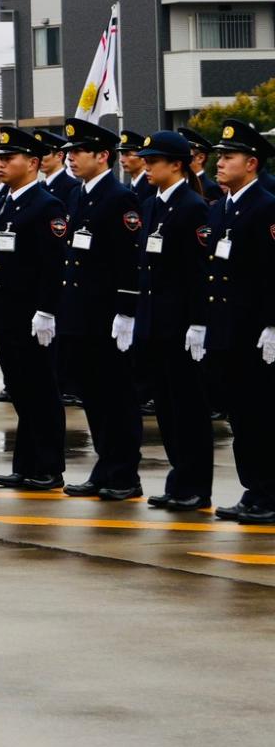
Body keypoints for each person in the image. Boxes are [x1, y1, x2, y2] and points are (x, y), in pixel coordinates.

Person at [53, 118, 146, 499]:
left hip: (107, 315)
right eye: (69, 153)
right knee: (93, 396)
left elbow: (129, 261)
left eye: (78, 152)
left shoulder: (119, 198)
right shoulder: (77, 195)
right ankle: (105, 466)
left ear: (102, 156)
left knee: (117, 396)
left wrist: (125, 312)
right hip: (81, 314)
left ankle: (124, 472)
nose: (70, 158)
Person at [0, 126, 68, 490]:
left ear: (32, 163)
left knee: (42, 392)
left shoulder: (47, 205)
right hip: (8, 314)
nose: (0, 163)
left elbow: (53, 264)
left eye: (9, 158)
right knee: (22, 392)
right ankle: (27, 463)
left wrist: (46, 310)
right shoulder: (5, 201)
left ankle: (48, 466)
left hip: (32, 316)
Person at [191, 119, 275, 522]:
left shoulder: (267, 207)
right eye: (219, 157)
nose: (219, 164)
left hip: (256, 332)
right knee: (241, 417)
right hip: (227, 330)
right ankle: (253, 490)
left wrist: (273, 324)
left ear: (252, 162)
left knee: (262, 415)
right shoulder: (223, 206)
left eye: (228, 157)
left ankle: (269, 493)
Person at [131, 133, 211, 510]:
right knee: (166, 408)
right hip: (155, 324)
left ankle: (195, 485)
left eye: (154, 160)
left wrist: (197, 322)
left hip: (180, 326)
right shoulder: (151, 206)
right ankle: (179, 480)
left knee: (188, 408)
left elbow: (197, 273)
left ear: (176, 165)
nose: (146, 166)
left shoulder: (193, 207)